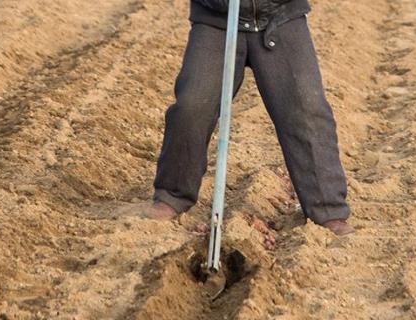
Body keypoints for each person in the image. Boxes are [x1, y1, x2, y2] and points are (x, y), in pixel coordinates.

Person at [146, 0, 354, 236]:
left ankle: (328, 209)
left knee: (307, 109)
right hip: (216, 20)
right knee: (192, 106)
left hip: (280, 16)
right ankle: (173, 194)